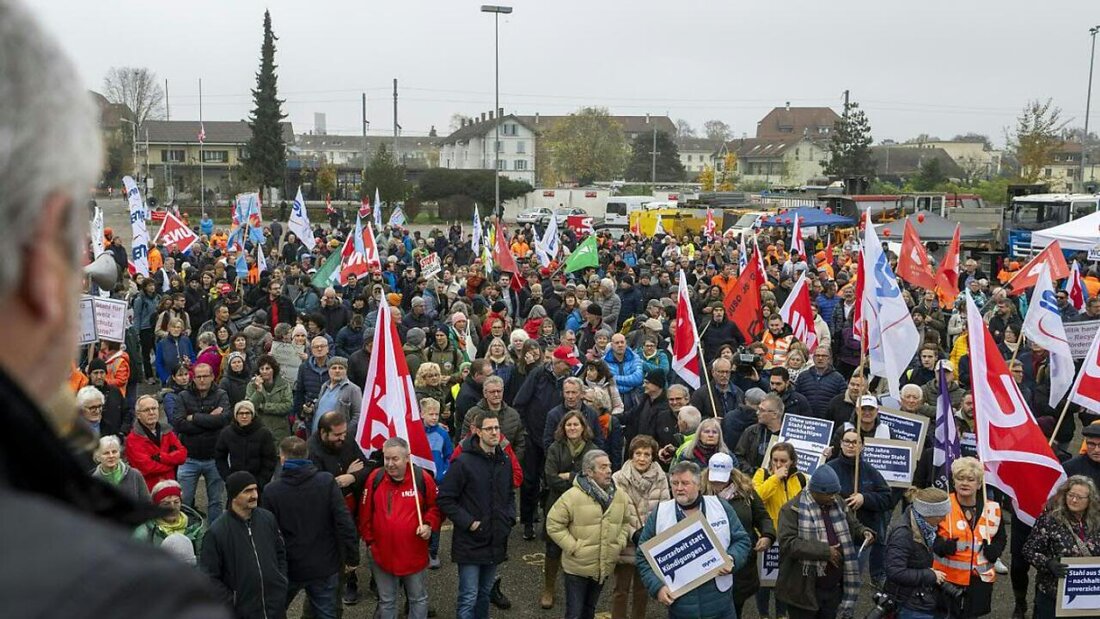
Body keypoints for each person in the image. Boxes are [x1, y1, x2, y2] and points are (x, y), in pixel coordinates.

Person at [635, 461, 751, 619]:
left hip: (721, 605)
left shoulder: (720, 506)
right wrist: (658, 587)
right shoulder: (661, 513)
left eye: (685, 483)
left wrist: (731, 558)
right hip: (681, 608)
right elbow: (642, 556)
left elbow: (742, 541)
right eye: (675, 483)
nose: (679, 488)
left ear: (698, 485)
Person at [263, 437, 358, 619]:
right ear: (307, 456)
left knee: (272, 612)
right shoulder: (326, 482)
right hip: (324, 565)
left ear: (282, 458)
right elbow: (345, 521)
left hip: (289, 566)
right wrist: (352, 557)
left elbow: (269, 533)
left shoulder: (271, 490)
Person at [437, 410, 517, 619]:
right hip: (470, 541)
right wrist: (469, 523)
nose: (494, 433)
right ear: (478, 432)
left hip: (496, 538)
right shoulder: (463, 462)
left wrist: (509, 517)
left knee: (484, 593)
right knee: (468, 596)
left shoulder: (504, 461)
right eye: (489, 428)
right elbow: (445, 498)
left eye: (497, 428)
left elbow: (509, 493)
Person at [358, 437, 441, 619]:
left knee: (418, 599)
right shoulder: (375, 478)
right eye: (386, 458)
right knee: (387, 601)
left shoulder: (422, 478)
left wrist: (428, 524)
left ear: (407, 458)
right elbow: (365, 515)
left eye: (395, 459)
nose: (389, 464)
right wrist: (370, 543)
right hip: (382, 555)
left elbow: (436, 508)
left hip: (414, 554)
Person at [776, 466, 873, 619]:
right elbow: (788, 543)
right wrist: (825, 552)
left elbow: (853, 525)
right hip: (802, 591)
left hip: (833, 590)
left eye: (835, 492)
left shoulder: (838, 502)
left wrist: (863, 532)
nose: (833, 497)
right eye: (828, 494)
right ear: (815, 491)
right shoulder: (791, 510)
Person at [546, 449, 634, 619]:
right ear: (589, 472)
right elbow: (553, 524)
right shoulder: (572, 496)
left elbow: (625, 521)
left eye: (609, 466)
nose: (609, 470)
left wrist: (619, 542)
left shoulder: (620, 496)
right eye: (603, 467)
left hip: (603, 566)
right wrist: (573, 546)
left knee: (589, 610)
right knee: (574, 613)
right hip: (577, 567)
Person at [201, 471, 289, 619]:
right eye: (247, 491)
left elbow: (280, 553)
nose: (254, 495)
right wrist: (233, 601)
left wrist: (280, 581)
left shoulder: (267, 519)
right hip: (242, 612)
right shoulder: (217, 532)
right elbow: (209, 577)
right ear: (234, 496)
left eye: (255, 489)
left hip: (275, 609)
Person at [307, 411, 372, 606]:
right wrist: (340, 478)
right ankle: (349, 582)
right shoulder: (312, 451)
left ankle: (376, 580)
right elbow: (317, 486)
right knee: (341, 545)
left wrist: (351, 477)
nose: (342, 438)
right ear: (323, 433)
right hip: (332, 509)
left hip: (356, 501)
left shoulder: (347, 439)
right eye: (337, 435)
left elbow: (367, 467)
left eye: (344, 433)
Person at [702, 453, 776, 618]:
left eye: (722, 479)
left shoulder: (747, 492)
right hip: (708, 563)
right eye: (714, 479)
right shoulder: (699, 492)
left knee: (735, 608)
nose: (718, 483)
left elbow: (762, 516)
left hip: (741, 564)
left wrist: (767, 535)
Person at [931, 457, 1006, 618]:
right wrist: (940, 546)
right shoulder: (942, 504)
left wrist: (996, 550)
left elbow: (1000, 538)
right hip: (946, 580)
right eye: (960, 478)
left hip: (979, 582)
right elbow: (930, 535)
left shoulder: (992, 508)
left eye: (970, 479)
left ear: (979, 484)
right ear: (954, 481)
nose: (965, 483)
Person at [542, 411, 601, 609]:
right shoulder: (554, 448)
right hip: (557, 504)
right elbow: (550, 477)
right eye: (569, 425)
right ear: (563, 428)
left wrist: (570, 476)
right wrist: (579, 480)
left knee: (580, 550)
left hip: (585, 509)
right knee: (552, 549)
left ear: (583, 427)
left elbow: (595, 478)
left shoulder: (593, 450)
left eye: (576, 425)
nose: (572, 428)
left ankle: (577, 595)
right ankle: (548, 589)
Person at [826, 429, 895, 588]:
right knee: (831, 581)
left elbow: (887, 498)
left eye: (855, 442)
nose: (850, 445)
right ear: (841, 444)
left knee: (852, 581)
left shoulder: (870, 471)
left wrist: (865, 498)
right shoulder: (829, 469)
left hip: (860, 539)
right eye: (847, 441)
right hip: (833, 536)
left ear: (862, 446)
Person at [1023, 476, 1100, 619]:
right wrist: (1048, 563)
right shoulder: (1049, 520)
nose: (1074, 500)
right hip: (1053, 594)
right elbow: (1029, 550)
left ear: (1090, 500)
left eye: (1080, 497)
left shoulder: (1097, 521)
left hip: (1089, 595)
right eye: (1071, 495)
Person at [611, 435, 670, 619]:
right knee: (620, 590)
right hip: (626, 542)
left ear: (653, 456)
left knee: (642, 590)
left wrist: (651, 534)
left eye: (647, 454)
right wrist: (634, 534)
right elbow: (616, 513)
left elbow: (665, 508)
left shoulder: (661, 478)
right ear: (631, 455)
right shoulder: (618, 478)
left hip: (650, 543)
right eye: (638, 453)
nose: (642, 458)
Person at [172, 362, 230, 522]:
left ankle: (215, 536)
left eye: (206, 376)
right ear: (194, 378)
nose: (202, 380)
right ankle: (188, 535)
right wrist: (211, 418)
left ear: (212, 377)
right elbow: (179, 424)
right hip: (189, 458)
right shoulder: (183, 396)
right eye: (199, 377)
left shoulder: (221, 395)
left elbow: (224, 420)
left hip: (215, 458)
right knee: (185, 502)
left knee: (216, 501)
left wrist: (195, 417)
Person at [883, 486, 952, 619]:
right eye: (941, 515)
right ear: (928, 513)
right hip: (907, 602)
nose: (944, 519)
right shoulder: (903, 534)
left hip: (917, 596)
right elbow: (895, 572)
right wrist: (930, 575)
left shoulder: (926, 527)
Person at [752, 441, 804, 618]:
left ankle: (781, 614)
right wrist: (775, 478)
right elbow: (755, 498)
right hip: (767, 536)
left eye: (784, 461)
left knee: (784, 581)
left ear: (792, 461)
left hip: (789, 538)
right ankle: (764, 614)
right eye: (775, 460)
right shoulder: (762, 474)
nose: (779, 464)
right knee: (764, 582)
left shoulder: (800, 478)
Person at [127, 394, 189, 491]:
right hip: (147, 491)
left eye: (154, 408)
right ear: (138, 414)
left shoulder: (167, 431)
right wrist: (172, 463)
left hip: (170, 487)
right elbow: (147, 468)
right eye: (146, 410)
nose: (151, 412)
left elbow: (182, 455)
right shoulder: (133, 438)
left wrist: (161, 457)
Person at [215, 400, 278, 489]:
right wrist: (228, 478)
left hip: (258, 483)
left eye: (247, 413)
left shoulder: (264, 433)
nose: (244, 416)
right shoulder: (227, 433)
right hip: (235, 482)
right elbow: (220, 457)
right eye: (241, 413)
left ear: (252, 415)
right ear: (236, 416)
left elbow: (270, 459)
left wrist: (261, 481)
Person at [134, 479, 206, 555]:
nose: (172, 508)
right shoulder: (144, 532)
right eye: (166, 504)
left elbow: (202, 558)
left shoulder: (197, 527)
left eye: (176, 502)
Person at [247, 354, 294, 444]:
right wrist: (258, 391)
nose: (264, 371)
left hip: (280, 430)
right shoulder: (251, 385)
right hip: (259, 429)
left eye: (267, 368)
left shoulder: (284, 384)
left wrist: (264, 407)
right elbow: (249, 407)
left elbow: (288, 406)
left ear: (273, 369)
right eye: (262, 369)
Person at [735, 393, 785, 474]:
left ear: (774, 414)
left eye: (762, 410)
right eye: (758, 409)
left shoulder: (788, 434)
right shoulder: (751, 431)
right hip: (754, 480)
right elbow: (739, 456)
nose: (757, 413)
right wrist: (753, 472)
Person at [90, 435, 151, 502]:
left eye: (114, 452)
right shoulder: (93, 480)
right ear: (98, 457)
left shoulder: (134, 474)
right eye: (106, 453)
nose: (111, 456)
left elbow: (147, 503)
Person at [794, 347, 847, 419]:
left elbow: (842, 400)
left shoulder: (838, 378)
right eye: (817, 355)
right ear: (813, 358)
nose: (820, 358)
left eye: (824, 356)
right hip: (805, 421)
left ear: (829, 359)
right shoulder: (803, 376)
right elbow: (795, 397)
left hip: (827, 421)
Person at [314, 356, 362, 434]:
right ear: (328, 370)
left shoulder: (353, 389)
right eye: (334, 368)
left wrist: (344, 433)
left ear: (346, 370)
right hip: (318, 434)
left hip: (337, 437)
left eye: (341, 368)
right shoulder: (324, 386)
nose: (337, 371)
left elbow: (358, 415)